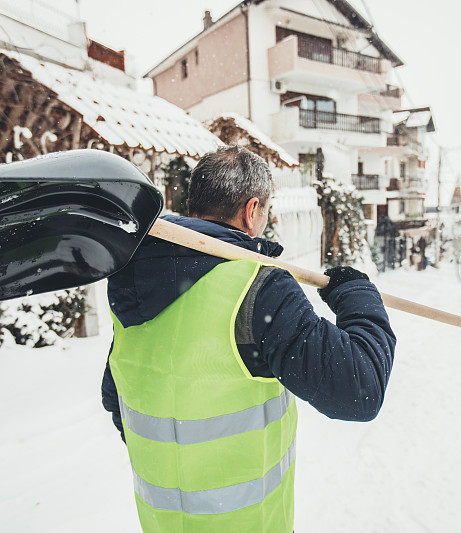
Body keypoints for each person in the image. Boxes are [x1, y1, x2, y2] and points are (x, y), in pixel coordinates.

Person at [101, 145, 396, 533]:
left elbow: (116, 394)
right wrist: (358, 295)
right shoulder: (258, 288)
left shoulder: (135, 280)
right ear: (252, 210)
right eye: (266, 211)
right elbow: (361, 388)